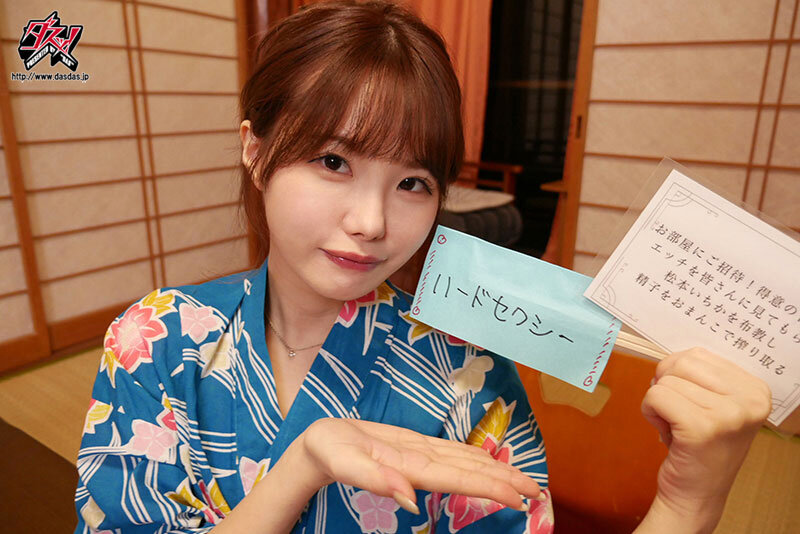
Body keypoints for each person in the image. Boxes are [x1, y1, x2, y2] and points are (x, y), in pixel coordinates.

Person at [73, 1, 771, 533]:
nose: (372, 223)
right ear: (255, 153)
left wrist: (689, 501)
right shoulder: (155, 338)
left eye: (412, 182)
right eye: (333, 161)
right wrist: (302, 465)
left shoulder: (467, 370)